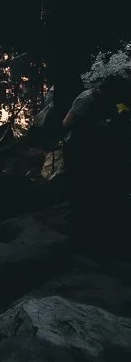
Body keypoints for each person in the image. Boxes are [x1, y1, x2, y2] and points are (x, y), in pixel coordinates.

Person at [65, 47, 131, 258]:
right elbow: (67, 125)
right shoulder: (87, 100)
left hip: (96, 150)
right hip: (78, 148)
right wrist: (98, 126)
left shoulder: (112, 101)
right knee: (82, 191)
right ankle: (81, 237)